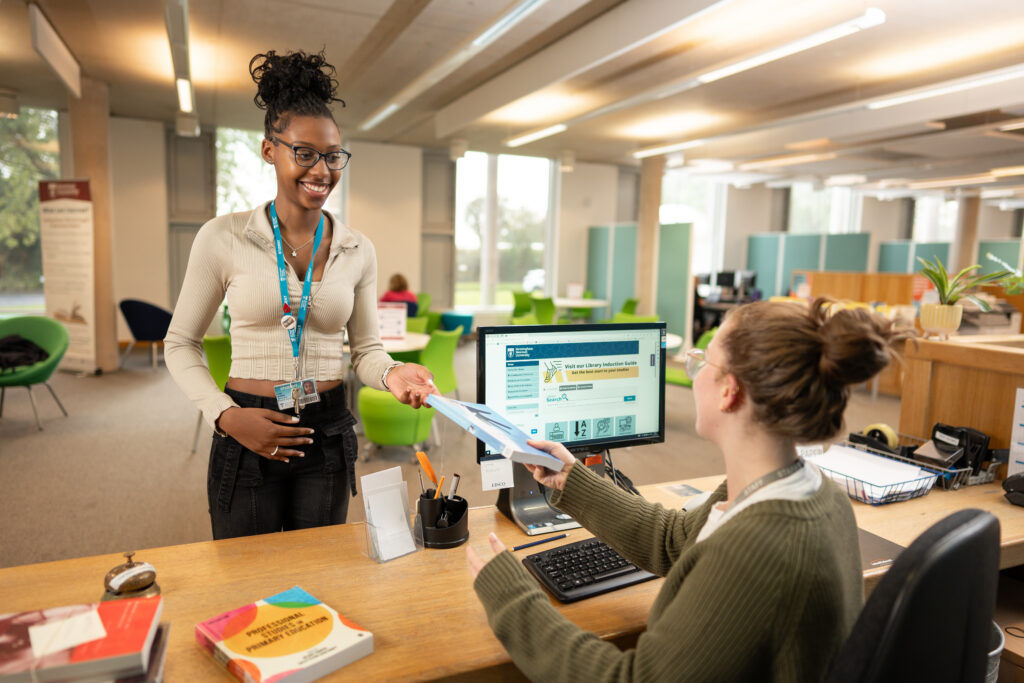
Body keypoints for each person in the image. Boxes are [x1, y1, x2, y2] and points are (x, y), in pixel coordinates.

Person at [467, 298, 906, 682]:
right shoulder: (802, 489)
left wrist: (511, 596)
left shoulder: (756, 550)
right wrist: (570, 477)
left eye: (702, 363)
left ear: (729, 391)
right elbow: (673, 541)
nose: (693, 374)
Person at [165, 49, 435, 540]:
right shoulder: (223, 238)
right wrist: (226, 416)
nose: (322, 170)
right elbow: (180, 343)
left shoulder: (357, 248)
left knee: (318, 580)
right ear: (270, 150)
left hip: (328, 434)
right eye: (304, 153)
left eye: (333, 156)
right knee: (247, 581)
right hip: (248, 427)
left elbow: (366, 351)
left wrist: (393, 373)